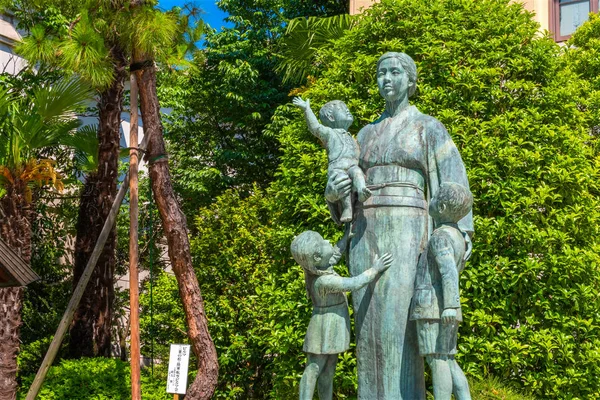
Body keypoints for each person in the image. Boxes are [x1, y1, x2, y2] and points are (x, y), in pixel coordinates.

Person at [324, 52, 473, 399]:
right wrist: (334, 193)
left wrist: (452, 237)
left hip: (410, 234)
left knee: (401, 328)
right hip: (365, 233)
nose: (387, 79)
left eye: (394, 72)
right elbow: (343, 183)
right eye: (381, 73)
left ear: (410, 80)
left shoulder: (429, 127)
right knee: (369, 329)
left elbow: (454, 188)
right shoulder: (364, 133)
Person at [291, 229, 393, 400]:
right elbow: (353, 283)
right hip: (323, 327)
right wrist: (375, 269)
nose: (327, 240)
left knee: (329, 369)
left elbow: (334, 255)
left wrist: (347, 236)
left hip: (334, 324)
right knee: (314, 368)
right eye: (323, 242)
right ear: (316, 258)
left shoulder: (321, 267)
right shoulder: (324, 280)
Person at [411, 182, 473, 400]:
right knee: (448, 359)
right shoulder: (459, 236)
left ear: (443, 207)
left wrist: (450, 306)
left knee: (437, 360)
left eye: (435, 197)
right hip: (446, 308)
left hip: (433, 307)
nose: (432, 199)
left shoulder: (440, 236)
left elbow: (448, 272)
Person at [293, 96, 370, 222]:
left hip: (353, 166)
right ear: (331, 117)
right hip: (337, 167)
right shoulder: (330, 133)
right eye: (342, 108)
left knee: (357, 173)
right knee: (341, 182)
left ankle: (362, 191)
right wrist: (307, 109)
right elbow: (315, 128)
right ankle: (346, 208)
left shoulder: (353, 137)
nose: (347, 110)